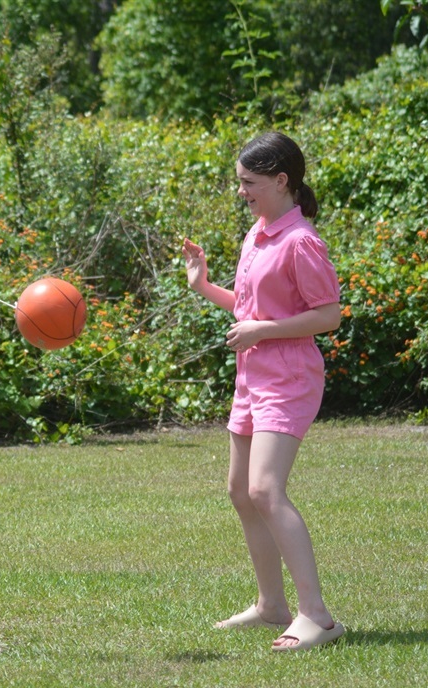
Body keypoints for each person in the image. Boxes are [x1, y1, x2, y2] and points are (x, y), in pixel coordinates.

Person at [182, 132, 345, 652]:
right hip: (253, 377)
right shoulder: (259, 233)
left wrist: (260, 332)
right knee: (240, 491)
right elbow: (250, 310)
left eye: (249, 183)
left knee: (265, 491)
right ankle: (271, 606)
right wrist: (203, 285)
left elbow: (329, 316)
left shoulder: (301, 241)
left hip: (290, 377)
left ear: (282, 181)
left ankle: (317, 617)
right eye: (239, 182)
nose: (241, 192)